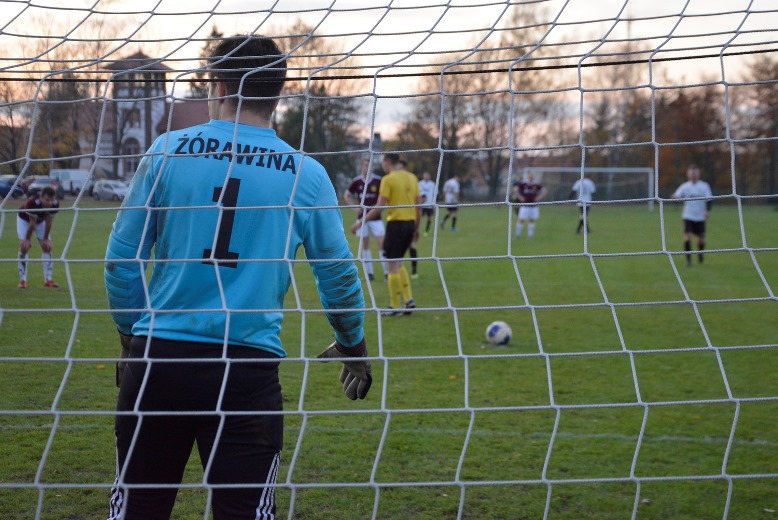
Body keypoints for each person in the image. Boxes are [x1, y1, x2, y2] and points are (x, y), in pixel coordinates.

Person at [104, 35, 372, 520]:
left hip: (159, 362)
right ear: (277, 91)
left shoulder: (167, 150)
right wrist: (352, 344)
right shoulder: (305, 174)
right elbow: (338, 275)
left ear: (219, 84)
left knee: (138, 509)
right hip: (246, 372)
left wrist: (131, 338)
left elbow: (121, 259)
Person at [352, 153, 420, 316]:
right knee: (399, 262)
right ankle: (409, 300)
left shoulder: (387, 179)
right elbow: (419, 206)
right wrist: (417, 228)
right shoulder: (412, 178)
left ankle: (394, 307)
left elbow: (379, 206)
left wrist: (360, 223)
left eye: (383, 162)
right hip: (410, 224)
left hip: (396, 225)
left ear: (388, 162)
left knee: (391, 265)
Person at [343, 156, 387, 281]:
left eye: (369, 165)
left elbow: (384, 198)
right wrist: (355, 208)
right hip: (361, 218)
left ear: (372, 167)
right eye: (364, 165)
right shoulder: (356, 181)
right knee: (365, 245)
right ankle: (369, 274)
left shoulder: (379, 180)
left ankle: (387, 273)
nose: (367, 167)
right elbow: (347, 195)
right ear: (361, 166)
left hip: (376, 217)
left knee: (382, 245)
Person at [17, 185, 60, 289]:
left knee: (47, 247)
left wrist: (45, 239)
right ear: (41, 197)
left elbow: (49, 222)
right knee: (25, 247)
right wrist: (27, 239)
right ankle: (23, 280)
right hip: (25, 220)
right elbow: (32, 223)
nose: (50, 203)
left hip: (40, 221)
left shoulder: (55, 204)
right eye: (47, 200)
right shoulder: (32, 202)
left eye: (52, 200)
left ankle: (48, 279)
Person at [672, 164, 713, 267]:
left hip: (700, 217)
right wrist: (673, 197)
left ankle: (700, 254)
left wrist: (708, 211)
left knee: (701, 240)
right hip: (688, 216)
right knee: (687, 237)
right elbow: (676, 196)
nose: (693, 175)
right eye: (691, 173)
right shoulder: (685, 186)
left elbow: (709, 199)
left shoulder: (704, 186)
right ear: (688, 174)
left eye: (695, 173)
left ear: (698, 174)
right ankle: (688, 261)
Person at [511, 172, 547, 239]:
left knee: (531, 220)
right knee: (521, 220)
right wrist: (520, 197)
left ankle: (530, 236)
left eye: (531, 176)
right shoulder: (524, 184)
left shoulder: (536, 185)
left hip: (533, 205)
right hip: (525, 205)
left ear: (533, 177)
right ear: (527, 177)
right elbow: (515, 189)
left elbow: (545, 191)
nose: (530, 177)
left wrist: (539, 198)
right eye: (529, 176)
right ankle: (517, 235)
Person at [417, 171, 436, 237]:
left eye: (427, 175)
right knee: (420, 219)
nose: (426, 177)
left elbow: (435, 193)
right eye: (425, 175)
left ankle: (426, 231)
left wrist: (434, 201)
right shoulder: (420, 183)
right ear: (423, 176)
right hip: (422, 205)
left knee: (430, 219)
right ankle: (417, 230)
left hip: (430, 204)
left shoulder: (432, 184)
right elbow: (417, 194)